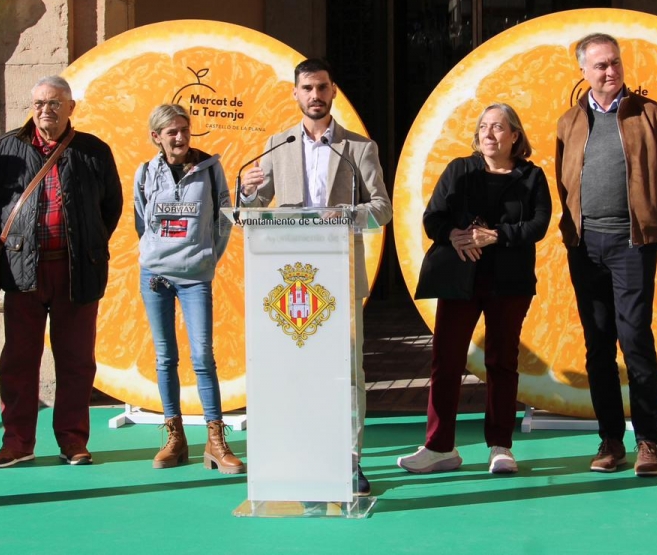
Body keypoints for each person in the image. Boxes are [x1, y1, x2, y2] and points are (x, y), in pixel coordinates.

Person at [239, 57, 392, 496]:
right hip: (287, 281)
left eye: (322, 88)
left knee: (346, 372)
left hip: (339, 278)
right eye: (307, 88)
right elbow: (252, 209)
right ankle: (301, 456)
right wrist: (248, 192)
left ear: (334, 91)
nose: (315, 96)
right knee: (295, 372)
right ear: (295, 93)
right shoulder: (277, 145)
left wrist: (342, 215)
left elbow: (382, 208)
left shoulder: (359, 148)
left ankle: (350, 460)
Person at [555, 32, 657, 477]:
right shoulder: (569, 122)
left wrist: (653, 233)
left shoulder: (651, 115)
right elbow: (564, 182)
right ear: (583, 72)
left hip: (633, 245)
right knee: (597, 347)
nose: (610, 72)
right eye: (600, 66)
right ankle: (610, 439)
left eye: (615, 63)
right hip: (585, 246)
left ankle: (648, 440)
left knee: (635, 341)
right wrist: (578, 227)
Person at [398, 104, 551, 476]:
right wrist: (455, 235)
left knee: (502, 362)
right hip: (458, 279)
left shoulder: (532, 177)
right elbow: (433, 217)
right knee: (445, 362)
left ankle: (500, 447)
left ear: (515, 135)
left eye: (498, 127)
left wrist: (496, 236)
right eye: (484, 126)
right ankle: (439, 447)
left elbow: (538, 225)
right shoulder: (458, 170)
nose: (489, 133)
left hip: (508, 281)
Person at [0, 76, 122, 468]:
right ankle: (18, 443)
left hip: (77, 271)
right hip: (24, 270)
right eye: (41, 102)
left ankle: (73, 441)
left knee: (76, 360)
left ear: (71, 108)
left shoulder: (93, 151)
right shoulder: (6, 147)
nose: (47, 110)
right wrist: (22, 241)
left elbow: (110, 207)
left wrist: (86, 244)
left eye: (56, 103)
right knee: (19, 360)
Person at [135, 104, 243, 473]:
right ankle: (175, 438)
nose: (180, 137)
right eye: (171, 132)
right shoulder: (146, 173)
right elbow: (141, 220)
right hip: (155, 276)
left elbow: (223, 216)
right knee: (165, 357)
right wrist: (155, 253)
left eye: (184, 129)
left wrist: (208, 258)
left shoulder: (210, 171)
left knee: (202, 356)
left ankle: (216, 441)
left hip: (195, 274)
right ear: (157, 137)